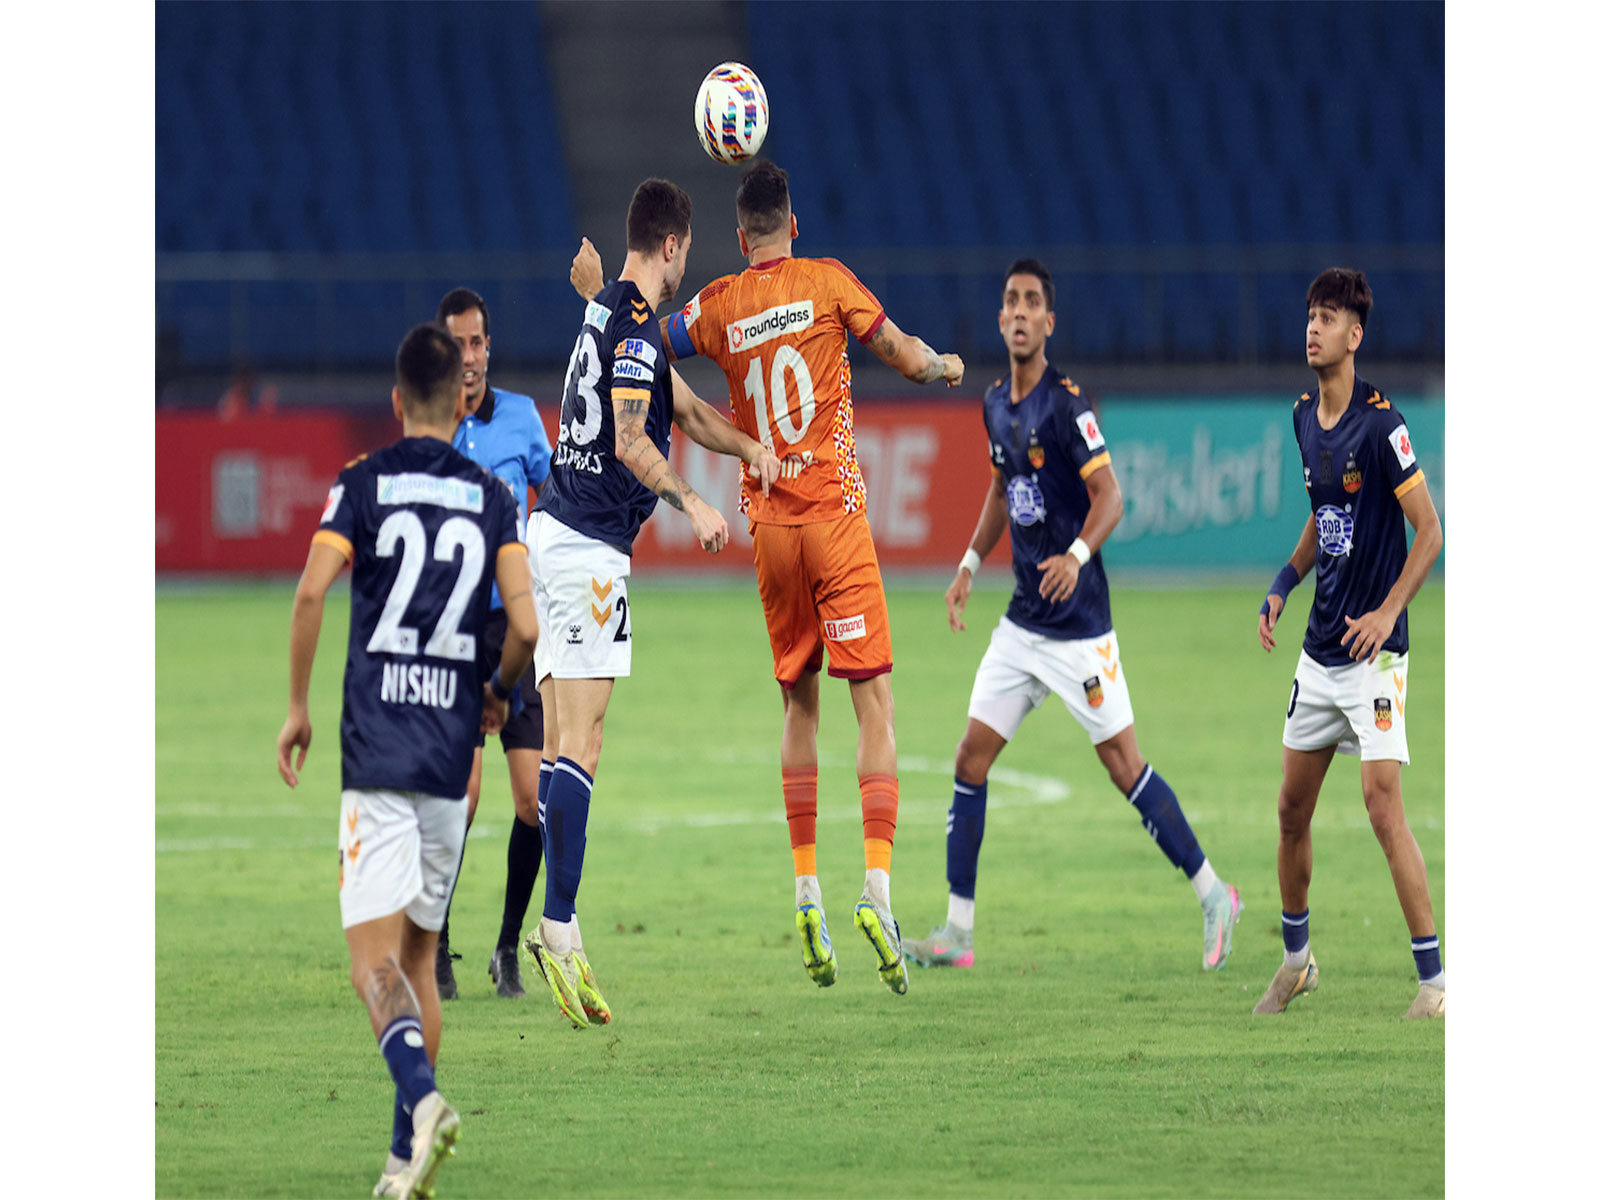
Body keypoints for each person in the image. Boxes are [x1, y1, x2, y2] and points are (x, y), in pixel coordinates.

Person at [571, 158, 966, 996]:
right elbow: (898, 351)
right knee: (875, 703)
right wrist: (944, 367)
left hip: (770, 526)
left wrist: (595, 295)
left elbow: (639, 345)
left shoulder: (715, 304)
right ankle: (879, 891)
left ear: (738, 235)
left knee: (799, 705)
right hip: (833, 513)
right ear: (794, 225)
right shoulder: (827, 280)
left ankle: (805, 888)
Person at [900, 259, 1243, 974]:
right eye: (1010, 302)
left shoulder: (1067, 407)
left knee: (1125, 767)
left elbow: (1112, 496)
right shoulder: (995, 403)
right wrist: (967, 565)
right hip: (1023, 625)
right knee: (970, 758)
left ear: (1049, 323)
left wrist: (1077, 555)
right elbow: (1002, 491)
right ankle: (957, 932)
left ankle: (1215, 894)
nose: (1019, 312)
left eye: (1032, 303)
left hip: (1081, 628)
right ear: (1000, 319)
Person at [275, 322, 539, 1198]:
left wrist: (298, 709)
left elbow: (313, 590)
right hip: (449, 760)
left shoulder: (361, 483)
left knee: (370, 965)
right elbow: (526, 627)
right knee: (421, 962)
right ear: (458, 400)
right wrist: (496, 692)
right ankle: (401, 1161)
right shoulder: (490, 497)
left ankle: (424, 1104)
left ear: (395, 402)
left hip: (377, 753)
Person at [525, 177, 780, 1029]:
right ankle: (559, 925)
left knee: (567, 741)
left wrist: (746, 446)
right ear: (673, 245)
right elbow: (635, 435)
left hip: (555, 539)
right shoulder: (633, 327)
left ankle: (561, 925)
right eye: (688, 248)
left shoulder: (612, 315)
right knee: (584, 742)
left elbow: (684, 406)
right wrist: (694, 502)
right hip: (591, 551)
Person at [1253, 268, 1445, 1019]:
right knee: (1290, 812)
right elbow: (1322, 518)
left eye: (1327, 319)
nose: (1313, 328)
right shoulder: (1304, 417)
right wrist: (1283, 581)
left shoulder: (1381, 425)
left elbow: (1429, 532)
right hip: (1320, 653)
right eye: (1310, 316)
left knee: (1380, 804)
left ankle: (1434, 982)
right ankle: (1297, 962)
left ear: (1354, 336)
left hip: (1376, 655)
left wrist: (1387, 610)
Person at [430, 286, 554, 1002]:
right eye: (457, 345)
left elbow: (553, 495)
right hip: (450, 628)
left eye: (478, 343)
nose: (470, 357)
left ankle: (507, 947)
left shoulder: (522, 420)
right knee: (462, 799)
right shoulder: (429, 426)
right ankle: (438, 942)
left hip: (514, 627)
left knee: (533, 800)